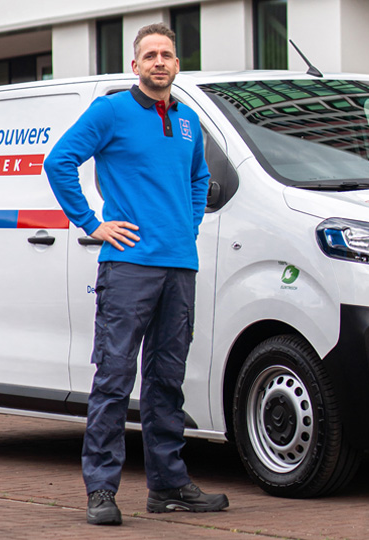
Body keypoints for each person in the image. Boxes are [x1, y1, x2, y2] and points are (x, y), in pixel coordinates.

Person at [43, 23, 229, 526]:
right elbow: (59, 161)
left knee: (167, 380)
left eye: (167, 54)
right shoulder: (111, 111)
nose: (160, 62)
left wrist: (187, 227)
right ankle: (100, 490)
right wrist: (92, 224)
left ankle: (168, 486)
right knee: (115, 377)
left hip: (179, 268)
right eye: (150, 55)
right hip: (127, 267)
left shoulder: (188, 121)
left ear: (175, 63)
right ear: (135, 65)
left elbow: (199, 178)